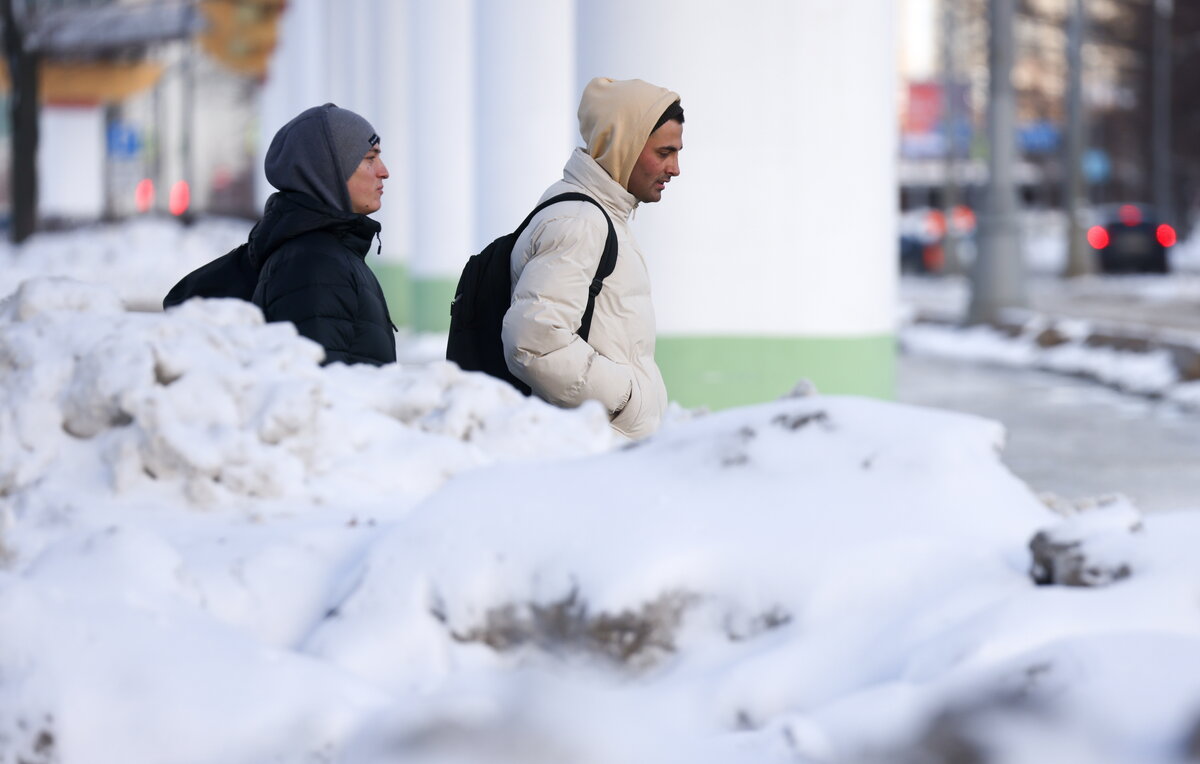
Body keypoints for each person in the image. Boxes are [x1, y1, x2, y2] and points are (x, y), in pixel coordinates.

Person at [502, 77, 683, 440]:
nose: (675, 168)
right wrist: (626, 400)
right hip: (595, 446)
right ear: (624, 148)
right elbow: (534, 342)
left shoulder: (601, 214)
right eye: (664, 153)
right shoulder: (581, 221)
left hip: (605, 444)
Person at [249, 103, 396, 365]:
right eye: (370, 158)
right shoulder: (313, 265)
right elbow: (319, 389)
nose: (384, 171)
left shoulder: (330, 253)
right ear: (329, 171)